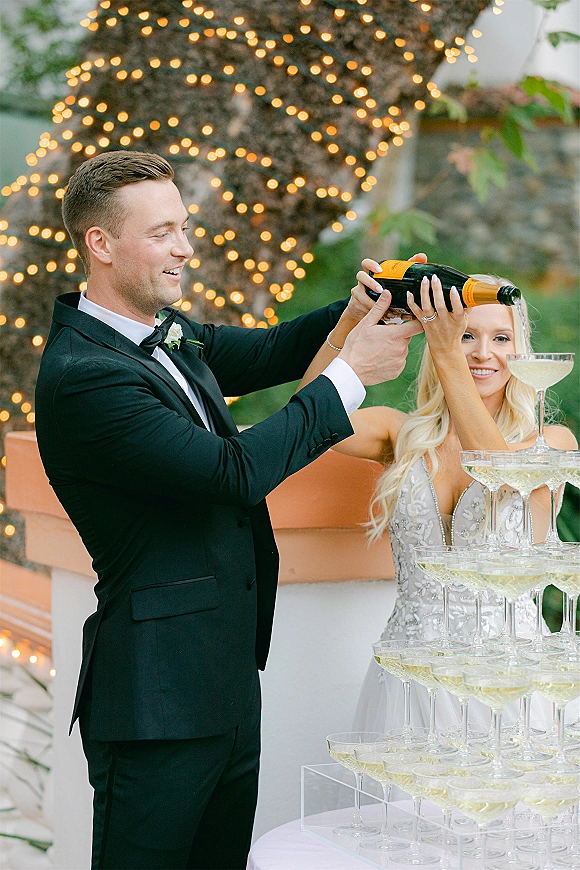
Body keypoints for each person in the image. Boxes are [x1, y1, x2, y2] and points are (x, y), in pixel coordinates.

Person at [34, 151, 423, 870]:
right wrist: (352, 376)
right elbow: (234, 472)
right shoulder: (84, 378)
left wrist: (368, 305)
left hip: (226, 687)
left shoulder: (166, 334)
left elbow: (272, 348)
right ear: (100, 243)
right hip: (153, 702)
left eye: (184, 227)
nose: (185, 247)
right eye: (162, 233)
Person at [299, 259, 577, 736]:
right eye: (465, 335)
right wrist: (351, 319)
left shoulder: (550, 444)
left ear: (520, 350)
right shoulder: (398, 432)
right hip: (409, 672)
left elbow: (496, 472)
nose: (482, 353)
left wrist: (445, 350)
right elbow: (310, 414)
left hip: (508, 677)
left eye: (501, 339)